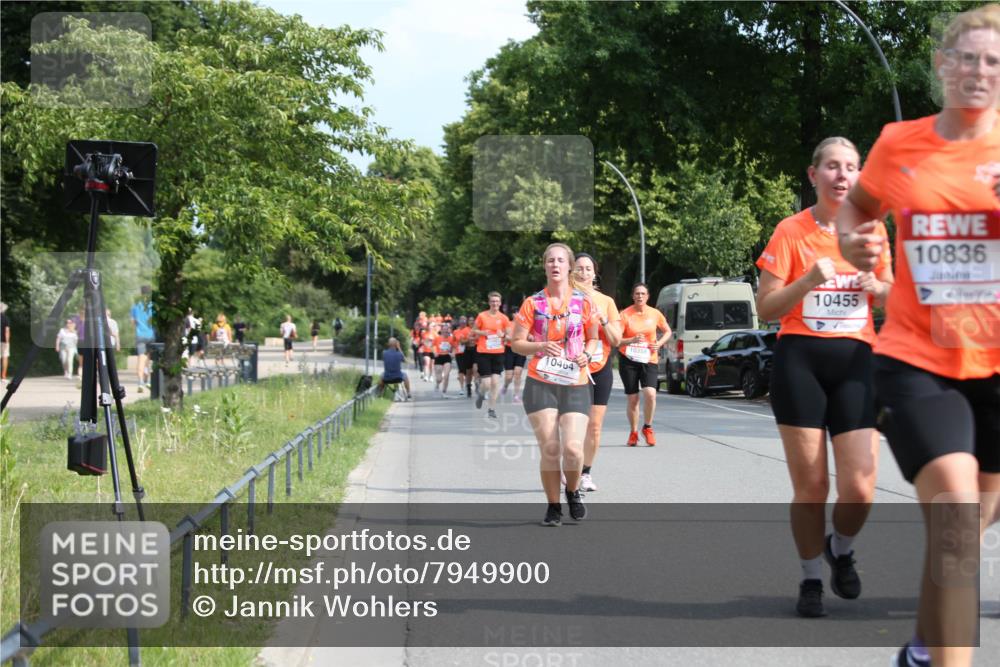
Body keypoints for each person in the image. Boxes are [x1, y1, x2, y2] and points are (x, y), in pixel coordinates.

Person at [836, 7, 1000, 665]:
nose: (979, 72)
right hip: (917, 356)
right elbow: (858, 208)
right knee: (957, 514)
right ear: (941, 66)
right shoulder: (898, 142)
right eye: (967, 58)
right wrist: (855, 240)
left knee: (966, 530)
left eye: (993, 61)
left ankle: (922, 649)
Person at [756, 137, 893, 619]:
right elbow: (767, 307)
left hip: (857, 362)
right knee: (811, 487)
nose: (842, 175)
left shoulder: (874, 231)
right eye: (832, 167)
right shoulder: (790, 231)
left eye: (851, 167)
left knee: (860, 487)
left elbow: (891, 299)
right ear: (813, 175)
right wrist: (808, 280)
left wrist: (879, 288)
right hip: (801, 363)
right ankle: (811, 579)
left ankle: (842, 547)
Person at [511, 242, 599, 526]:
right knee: (551, 448)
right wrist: (539, 345)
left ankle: (572, 492)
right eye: (550, 260)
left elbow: (593, 337)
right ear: (545, 266)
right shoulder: (532, 303)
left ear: (569, 266)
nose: (555, 265)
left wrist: (586, 354)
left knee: (573, 449)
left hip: (575, 380)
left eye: (561, 260)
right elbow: (516, 344)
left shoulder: (584, 302)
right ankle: (553, 507)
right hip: (541, 381)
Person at [574, 253, 622, 492]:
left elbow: (616, 340)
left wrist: (603, 320)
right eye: (579, 268)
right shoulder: (562, 299)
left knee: (594, 426)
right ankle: (569, 466)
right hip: (570, 369)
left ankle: (585, 473)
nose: (583, 273)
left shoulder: (606, 301)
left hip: (599, 368)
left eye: (588, 268)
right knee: (571, 424)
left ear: (595, 273)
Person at [617, 283, 671, 446]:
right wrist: (631, 340)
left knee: (650, 393)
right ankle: (633, 432)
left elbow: (667, 331)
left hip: (649, 358)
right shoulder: (625, 314)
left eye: (643, 294)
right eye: (637, 294)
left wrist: (659, 343)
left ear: (647, 297)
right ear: (633, 296)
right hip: (629, 359)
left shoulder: (655, 313)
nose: (640, 296)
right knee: (633, 399)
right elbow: (616, 340)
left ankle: (647, 427)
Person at [472, 292, 511, 419]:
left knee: (495, 382)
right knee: (487, 383)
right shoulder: (482, 316)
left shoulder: (504, 318)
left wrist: (503, 335)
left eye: (497, 301)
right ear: (489, 303)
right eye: (492, 301)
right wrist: (484, 332)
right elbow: (474, 330)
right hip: (483, 352)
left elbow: (510, 336)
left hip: (498, 353)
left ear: (500, 303)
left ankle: (491, 409)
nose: (495, 303)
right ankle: (481, 394)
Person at [130, 285, 154, 392]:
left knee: (141, 358)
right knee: (147, 359)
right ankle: (147, 380)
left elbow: (133, 322)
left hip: (140, 334)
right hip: (151, 334)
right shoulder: (152, 305)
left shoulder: (135, 306)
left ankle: (140, 382)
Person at [501, 319, 527, 404]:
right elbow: (504, 336)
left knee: (517, 373)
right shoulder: (508, 324)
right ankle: (505, 385)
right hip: (509, 350)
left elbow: (529, 335)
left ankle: (516, 395)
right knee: (509, 376)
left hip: (521, 349)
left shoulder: (525, 324)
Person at [432, 322, 455, 397]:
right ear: (441, 331)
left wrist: (453, 354)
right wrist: (435, 352)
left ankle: (444, 391)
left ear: (449, 331)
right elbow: (432, 346)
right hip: (438, 357)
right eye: (444, 331)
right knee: (439, 378)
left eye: (447, 330)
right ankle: (437, 383)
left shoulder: (451, 338)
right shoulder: (437, 338)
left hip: (447, 357)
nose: (445, 332)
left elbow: (454, 347)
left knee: (446, 375)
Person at [0, 302, 10, 381]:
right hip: (3, 341)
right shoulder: (5, 318)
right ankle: (3, 376)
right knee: (4, 357)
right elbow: (7, 331)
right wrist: (7, 342)